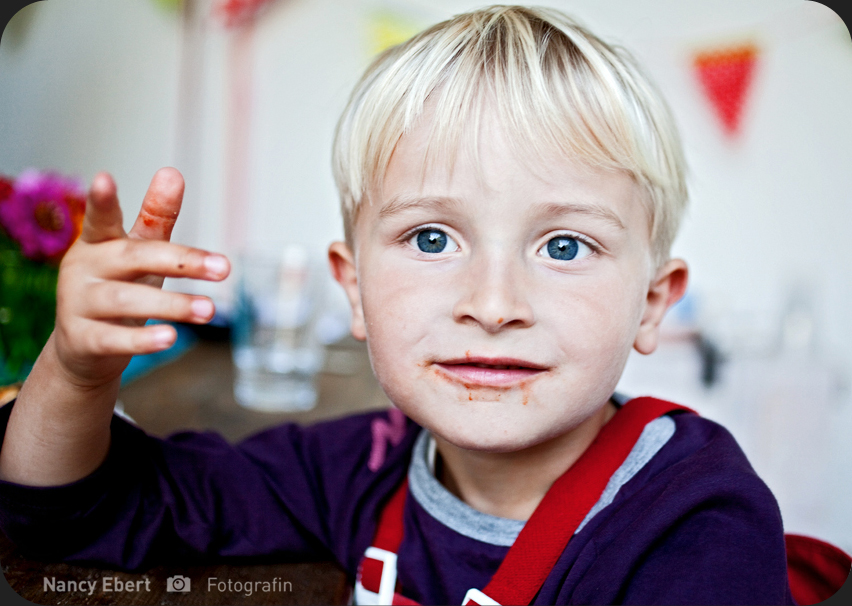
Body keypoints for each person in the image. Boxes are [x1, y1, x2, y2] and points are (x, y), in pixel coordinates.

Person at [0, 5, 793, 604]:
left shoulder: (696, 523)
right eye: (432, 239)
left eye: (563, 247)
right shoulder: (358, 468)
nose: (493, 303)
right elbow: (69, 513)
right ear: (352, 288)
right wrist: (75, 373)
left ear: (653, 303)